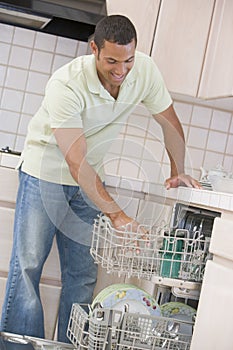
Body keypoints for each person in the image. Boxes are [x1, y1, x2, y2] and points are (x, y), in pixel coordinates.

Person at [0, 15, 201, 343]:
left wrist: (177, 169)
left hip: (91, 180)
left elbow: (169, 121)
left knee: (81, 275)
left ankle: (69, 346)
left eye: (128, 60)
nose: (121, 70)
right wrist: (118, 215)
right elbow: (75, 162)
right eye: (111, 61)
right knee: (28, 267)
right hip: (46, 172)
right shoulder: (67, 83)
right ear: (94, 49)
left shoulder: (145, 71)